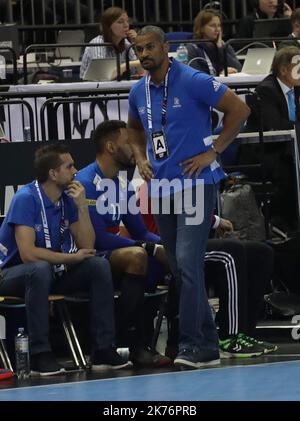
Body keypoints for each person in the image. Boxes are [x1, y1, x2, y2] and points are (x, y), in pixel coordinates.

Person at [127, 25, 250, 369]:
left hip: (196, 182)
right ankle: (208, 344)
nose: (145, 54)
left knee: (188, 262)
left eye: (150, 47)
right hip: (162, 187)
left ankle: (194, 345)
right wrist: (139, 158)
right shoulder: (138, 91)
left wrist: (214, 150)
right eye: (139, 49)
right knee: (180, 267)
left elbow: (239, 110)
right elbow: (134, 129)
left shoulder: (192, 79)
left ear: (165, 47)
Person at [0, 144, 130, 375]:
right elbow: (27, 254)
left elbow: (87, 246)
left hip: (52, 271)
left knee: (98, 265)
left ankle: (102, 348)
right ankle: (40, 353)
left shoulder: (67, 199)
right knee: (39, 268)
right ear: (52, 174)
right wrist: (69, 259)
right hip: (12, 274)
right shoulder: (25, 198)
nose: (75, 171)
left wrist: (82, 207)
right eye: (69, 166)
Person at [138, 181, 277, 358]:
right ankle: (230, 337)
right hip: (167, 250)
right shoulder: (149, 189)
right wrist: (215, 221)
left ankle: (245, 334)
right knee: (230, 252)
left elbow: (188, 213)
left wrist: (213, 222)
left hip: (188, 243)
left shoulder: (183, 184)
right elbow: (173, 218)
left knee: (261, 252)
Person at [76, 120, 171, 368]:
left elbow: (140, 231)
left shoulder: (121, 184)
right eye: (128, 142)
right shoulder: (86, 182)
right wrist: (151, 248)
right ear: (110, 147)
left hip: (114, 253)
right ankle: (135, 346)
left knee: (175, 257)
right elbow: (96, 238)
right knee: (137, 256)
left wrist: (167, 245)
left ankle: (177, 341)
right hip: (85, 255)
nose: (134, 147)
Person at [244, 46, 300, 231]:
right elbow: (275, 124)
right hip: (266, 150)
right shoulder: (266, 90)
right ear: (284, 70)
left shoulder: (295, 88)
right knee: (289, 172)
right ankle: (284, 223)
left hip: (290, 148)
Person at [80, 6, 142, 80]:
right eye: (120, 22)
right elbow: (104, 76)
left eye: (127, 21)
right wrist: (129, 64)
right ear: (108, 26)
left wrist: (137, 45)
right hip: (91, 88)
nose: (126, 25)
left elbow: (140, 72)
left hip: (116, 87)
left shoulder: (126, 43)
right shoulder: (98, 43)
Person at [187, 9, 242, 76]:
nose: (217, 29)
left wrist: (220, 48)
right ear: (201, 28)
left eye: (219, 25)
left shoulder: (224, 46)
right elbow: (196, 76)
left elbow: (239, 69)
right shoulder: (193, 48)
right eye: (212, 25)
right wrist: (221, 74)